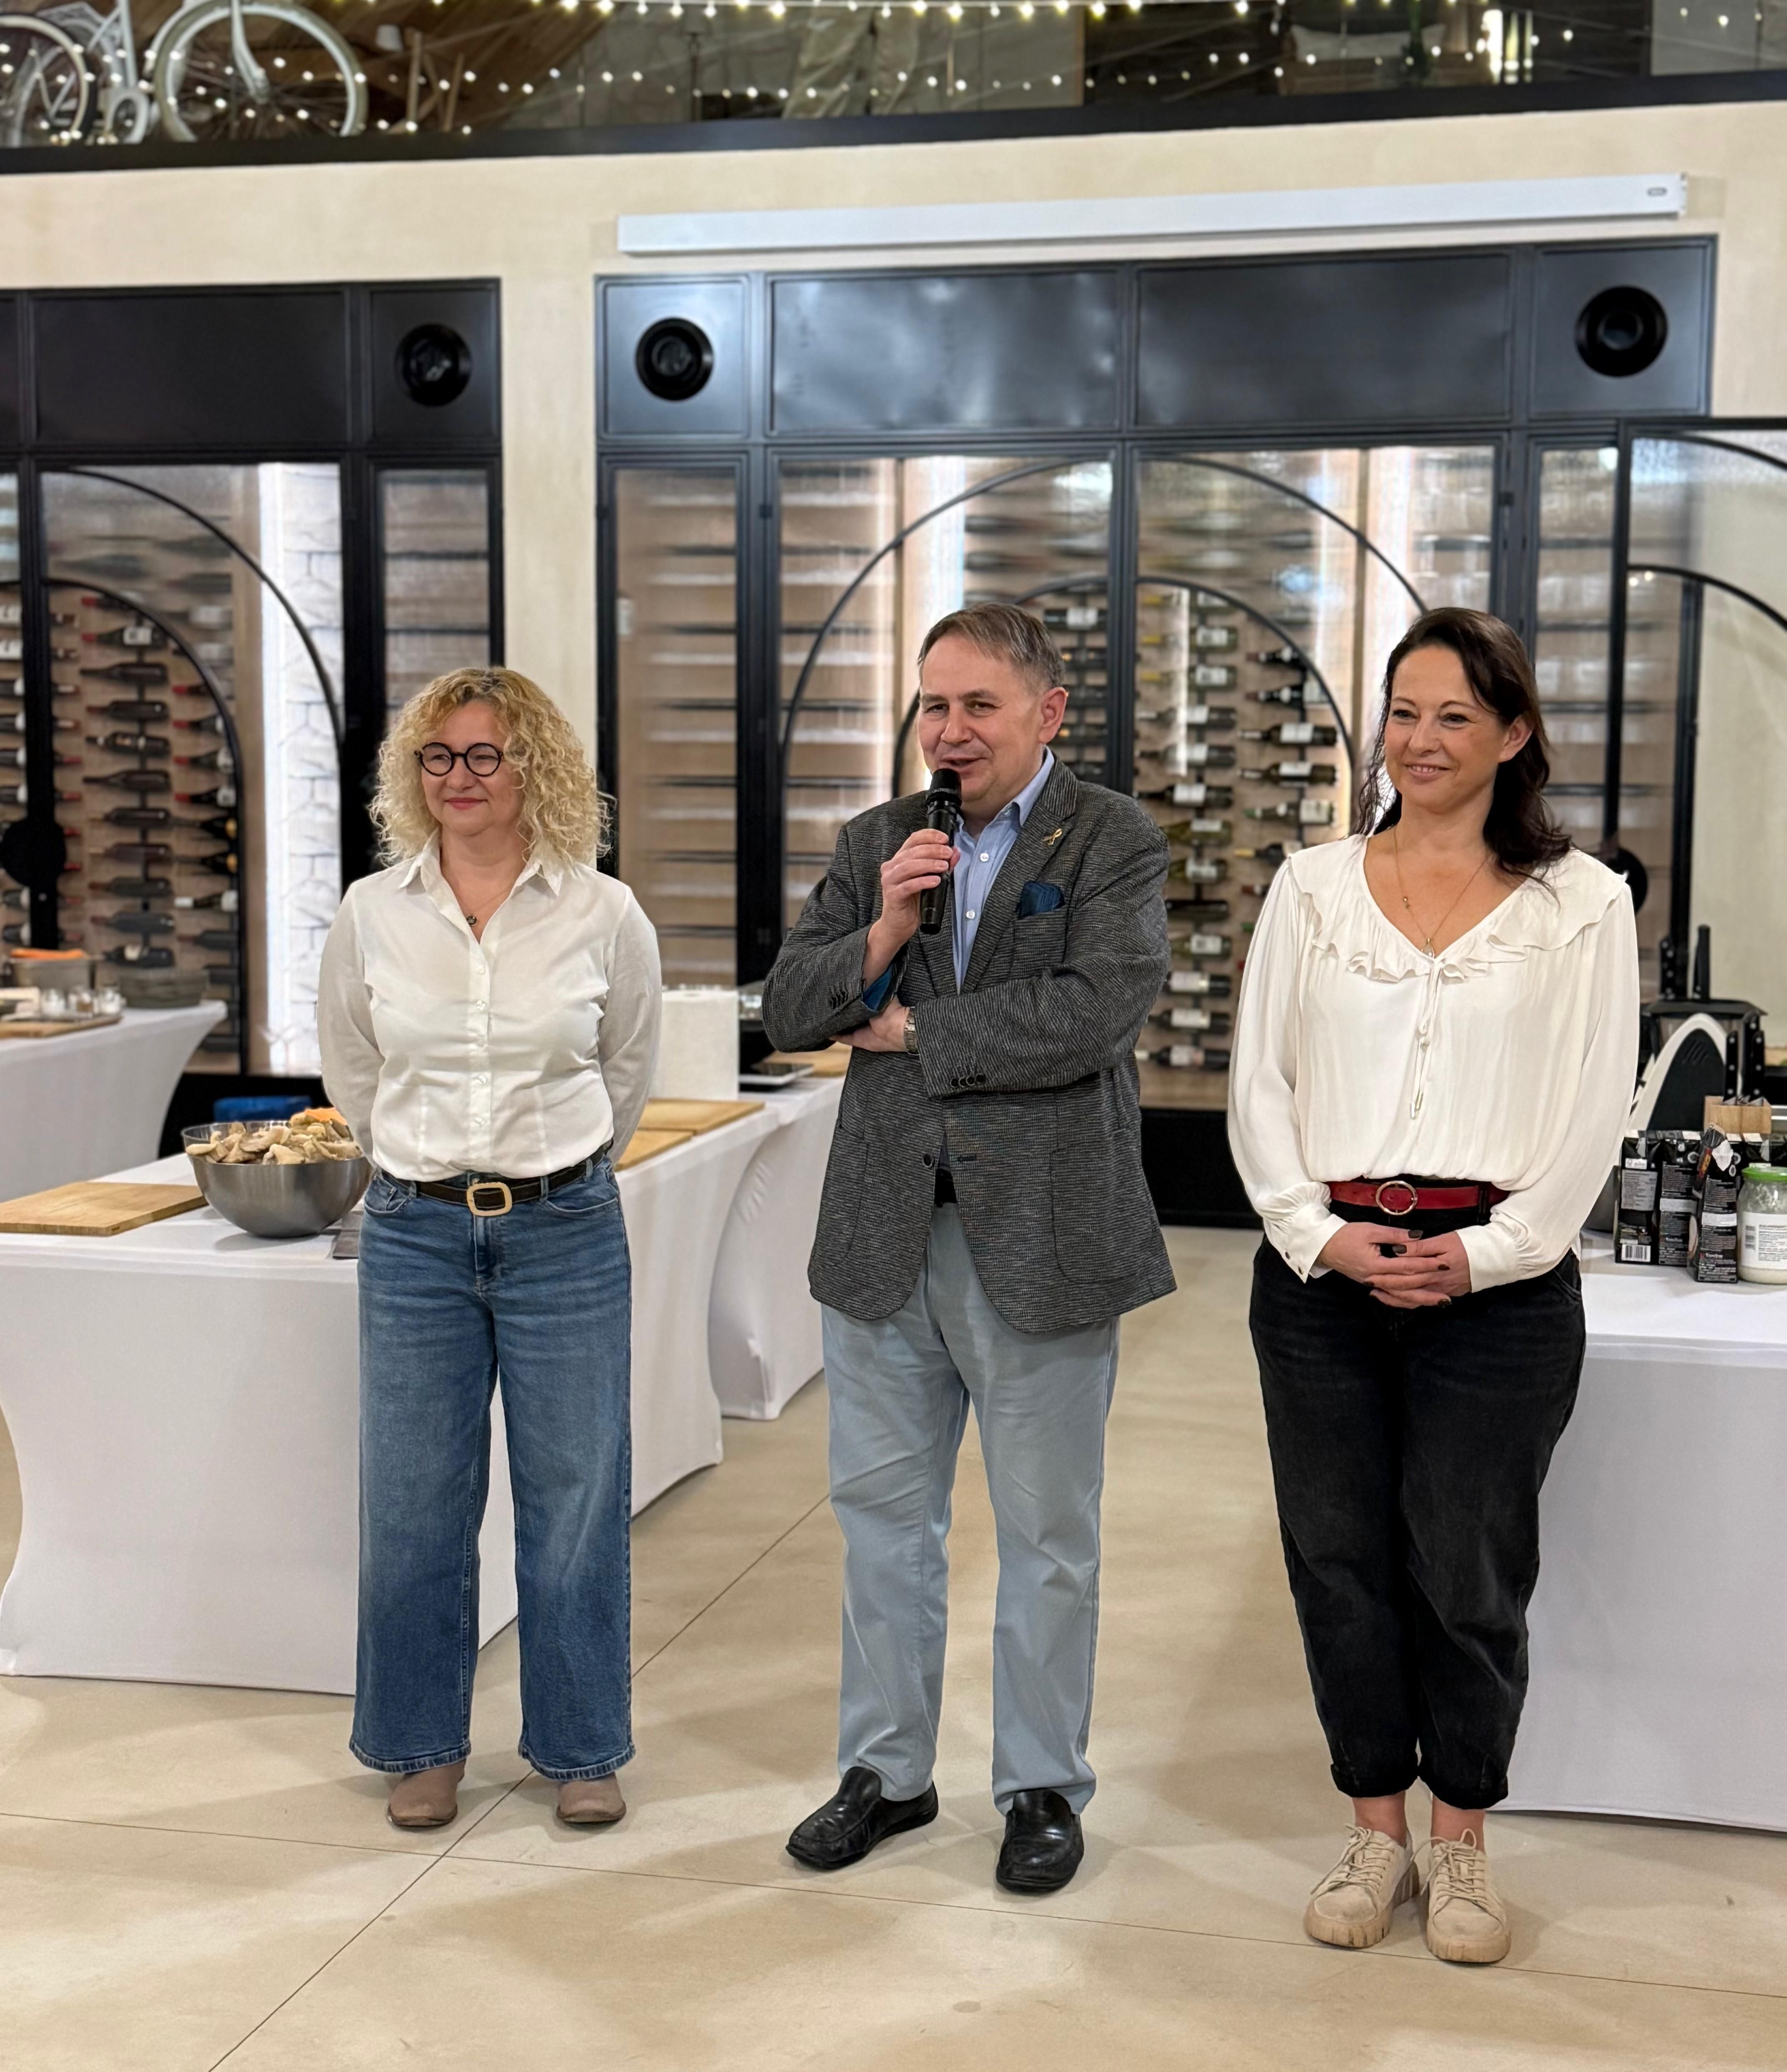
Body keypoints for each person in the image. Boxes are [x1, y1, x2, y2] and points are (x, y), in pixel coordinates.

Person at [1228, 608, 1638, 1964]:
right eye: (1402, 713)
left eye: (1454, 716)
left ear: (1513, 734)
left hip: (1501, 1292)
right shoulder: (1310, 887)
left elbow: (1595, 1105)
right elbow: (1260, 1084)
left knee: (1466, 1567)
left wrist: (1488, 1253)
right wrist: (1312, 1230)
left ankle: (1460, 1839)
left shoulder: (1582, 903)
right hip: (1322, 1280)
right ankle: (1374, 1831)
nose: (1419, 740)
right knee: (1335, 1560)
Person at [761, 602, 1174, 1894]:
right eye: (933, 706)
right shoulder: (880, 842)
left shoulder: (1110, 839)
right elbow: (789, 1007)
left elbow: (1094, 1010)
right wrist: (884, 929)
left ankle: (1041, 1786)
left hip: (1043, 1240)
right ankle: (885, 1774)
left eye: (976, 705)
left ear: (1047, 714)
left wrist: (911, 1034)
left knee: (1047, 1533)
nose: (948, 730)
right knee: (883, 1524)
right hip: (882, 1242)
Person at [318, 665, 660, 1833]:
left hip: (565, 1232)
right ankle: (419, 1745)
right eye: (438, 756)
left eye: (484, 755)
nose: (458, 778)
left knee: (576, 1497)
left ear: (534, 769)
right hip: (413, 1236)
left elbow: (626, 1069)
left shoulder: (602, 913)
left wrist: (553, 1172)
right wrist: (422, 1169)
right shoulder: (374, 911)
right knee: (413, 1502)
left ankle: (579, 1746)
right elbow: (354, 1067)